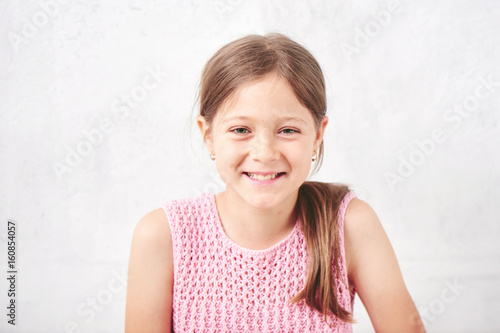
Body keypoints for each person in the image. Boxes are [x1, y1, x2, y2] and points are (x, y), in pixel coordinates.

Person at [125, 33, 426, 332]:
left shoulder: (348, 225)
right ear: (208, 135)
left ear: (318, 136)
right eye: (241, 129)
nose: (265, 153)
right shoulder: (163, 236)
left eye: (288, 130)